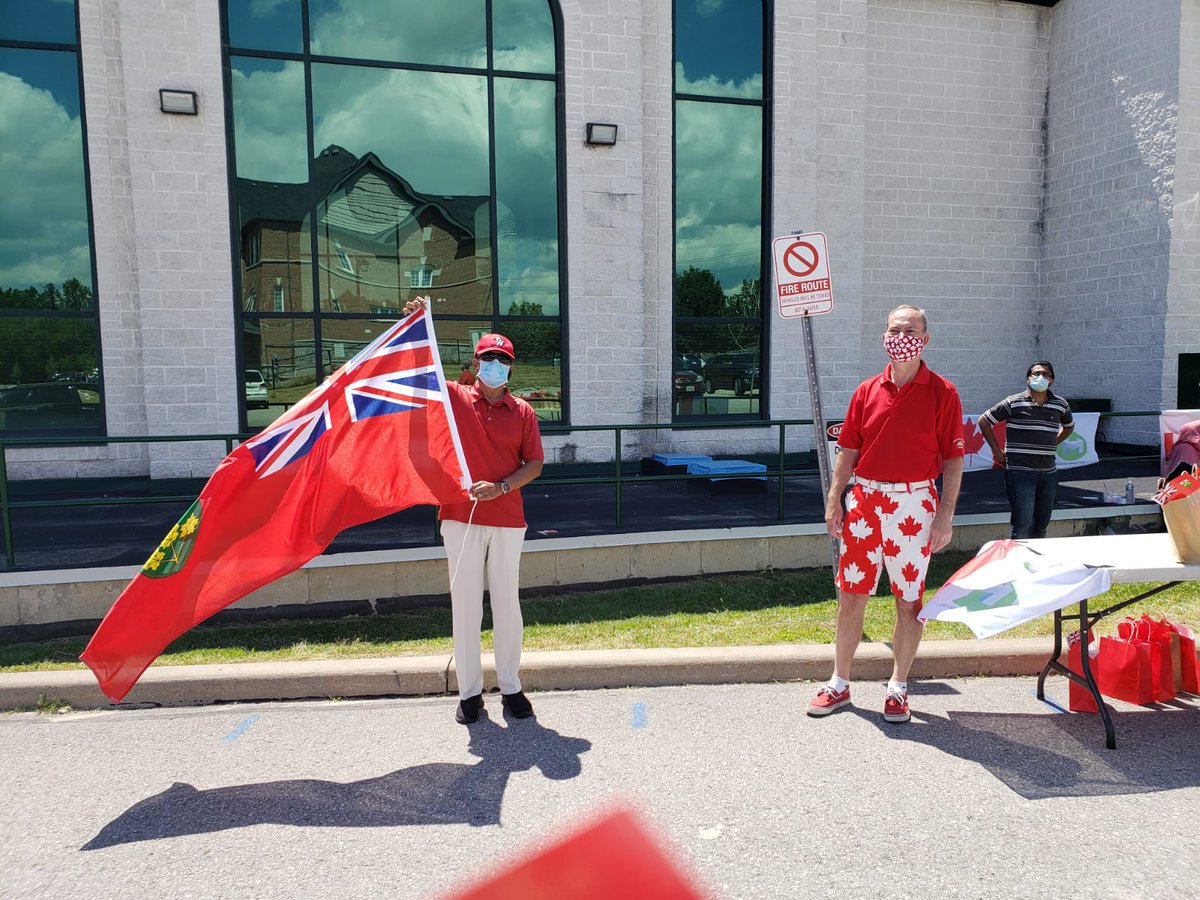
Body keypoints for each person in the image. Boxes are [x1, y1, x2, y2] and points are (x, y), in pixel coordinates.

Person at [808, 305, 965, 724]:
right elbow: (848, 450)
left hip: (915, 505)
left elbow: (953, 458)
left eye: (910, 330)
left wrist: (945, 514)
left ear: (925, 339)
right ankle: (839, 683)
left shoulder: (943, 392)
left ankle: (898, 687)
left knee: (909, 601)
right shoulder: (866, 391)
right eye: (894, 329)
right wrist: (834, 498)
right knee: (850, 595)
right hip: (866, 503)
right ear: (884, 334)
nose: (901, 336)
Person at [403, 297, 544, 725]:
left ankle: (511, 687)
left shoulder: (523, 412)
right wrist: (414, 325)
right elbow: (420, 373)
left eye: (502, 359)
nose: (494, 365)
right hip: (459, 518)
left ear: (511, 368)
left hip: (506, 520)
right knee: (465, 607)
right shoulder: (455, 400)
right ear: (475, 362)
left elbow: (534, 464)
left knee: (507, 606)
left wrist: (501, 487)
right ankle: (468, 695)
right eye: (488, 358)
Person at [979, 362, 1073, 540]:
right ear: (1028, 378)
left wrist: (1053, 443)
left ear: (1051, 380)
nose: (1040, 377)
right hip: (1020, 473)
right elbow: (984, 421)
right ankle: (1017, 562)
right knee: (1023, 524)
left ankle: (1036, 563)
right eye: (1036, 373)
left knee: (1042, 524)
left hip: (1049, 473)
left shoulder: (1061, 404)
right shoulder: (1013, 402)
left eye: (1045, 374)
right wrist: (997, 451)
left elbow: (1068, 427)